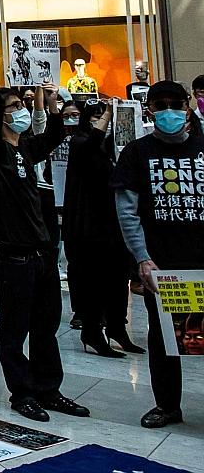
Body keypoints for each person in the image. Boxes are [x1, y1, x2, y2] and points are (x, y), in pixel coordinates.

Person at [0, 49, 89, 423]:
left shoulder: (25, 148)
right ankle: (21, 391)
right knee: (14, 328)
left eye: (22, 103)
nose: (21, 110)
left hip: (42, 254)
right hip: (14, 256)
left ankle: (48, 388)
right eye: (15, 106)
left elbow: (54, 136)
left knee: (46, 326)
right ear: (4, 115)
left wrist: (52, 102)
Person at [114, 79, 204, 429]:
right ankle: (167, 405)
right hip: (162, 265)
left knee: (199, 333)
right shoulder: (137, 152)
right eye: (160, 104)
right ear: (149, 109)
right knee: (165, 337)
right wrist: (142, 257)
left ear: (188, 106)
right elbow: (127, 210)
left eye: (175, 104)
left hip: (201, 260)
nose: (169, 111)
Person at [62, 98, 139, 358]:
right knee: (93, 280)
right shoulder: (80, 142)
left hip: (114, 223)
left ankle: (117, 327)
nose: (101, 121)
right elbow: (92, 141)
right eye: (95, 116)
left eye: (103, 116)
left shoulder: (114, 149)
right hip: (89, 225)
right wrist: (107, 113)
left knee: (119, 278)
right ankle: (92, 331)